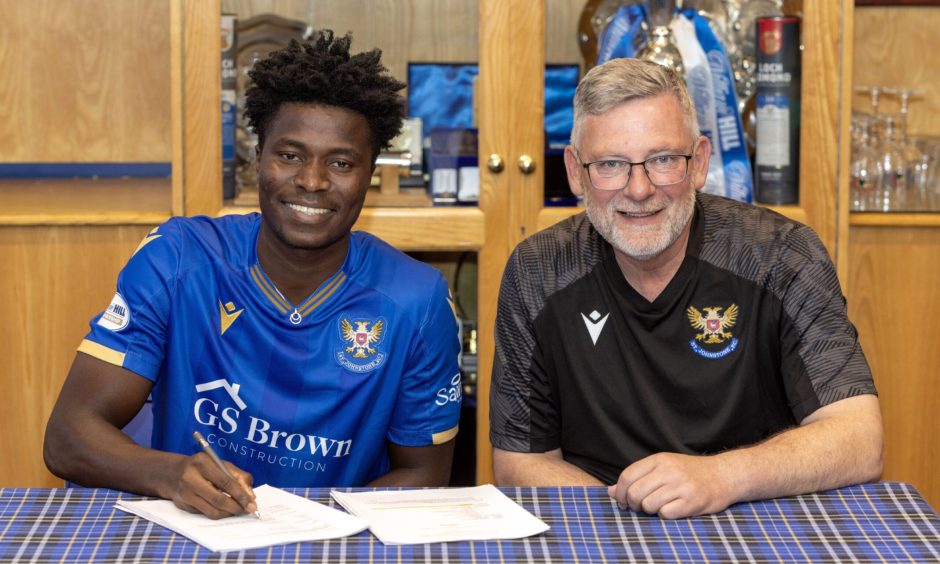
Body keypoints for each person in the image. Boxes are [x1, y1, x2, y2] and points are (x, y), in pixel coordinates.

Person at [44, 31, 461, 518]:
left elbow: (425, 476)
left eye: (341, 163)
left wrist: (312, 528)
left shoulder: (417, 299)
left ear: (370, 174)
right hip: (189, 529)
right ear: (257, 158)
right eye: (289, 155)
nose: (312, 180)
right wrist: (170, 475)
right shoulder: (178, 258)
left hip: (332, 541)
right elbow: (68, 435)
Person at [489, 57, 882, 519]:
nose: (638, 189)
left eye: (663, 160)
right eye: (611, 164)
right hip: (599, 517)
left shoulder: (781, 255)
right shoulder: (538, 269)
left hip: (755, 514)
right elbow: (520, 460)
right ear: (575, 172)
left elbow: (859, 438)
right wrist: (641, 507)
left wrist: (721, 477)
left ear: (700, 163)